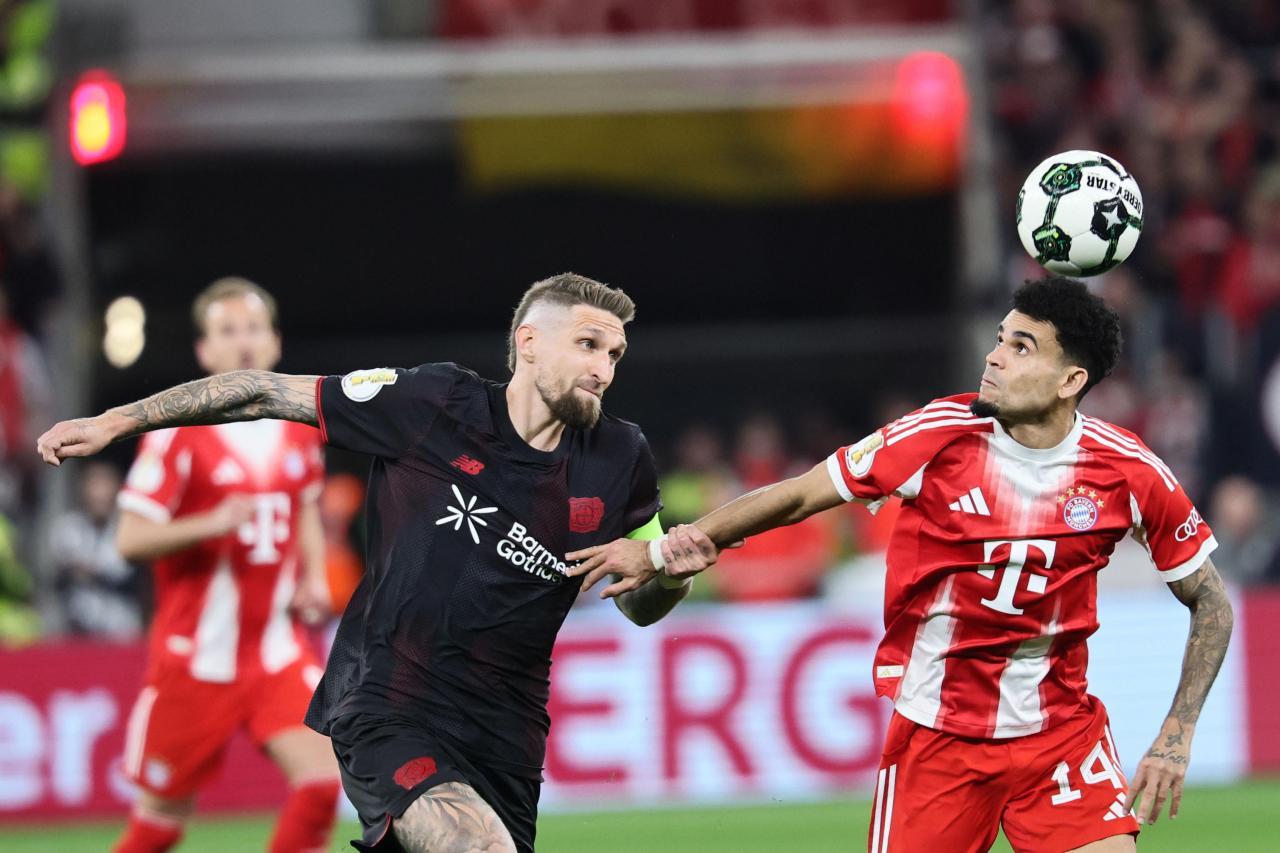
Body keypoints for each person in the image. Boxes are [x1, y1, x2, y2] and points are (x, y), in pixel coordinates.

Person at [37, 272, 712, 853]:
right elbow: (261, 392)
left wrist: (670, 577)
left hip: (507, 736)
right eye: (588, 345)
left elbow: (638, 600)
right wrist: (116, 421)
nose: (604, 369)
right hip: (389, 704)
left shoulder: (621, 456)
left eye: (615, 354)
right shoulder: (433, 403)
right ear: (529, 342)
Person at [570, 277, 1234, 853]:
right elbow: (800, 493)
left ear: (1071, 381)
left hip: (1060, 737)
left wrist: (1176, 734)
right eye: (1000, 339)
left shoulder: (1128, 470)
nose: (995, 356)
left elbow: (1211, 598)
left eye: (1021, 347)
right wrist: (661, 549)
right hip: (938, 739)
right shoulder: (939, 433)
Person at [107, 278, 339, 852]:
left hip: (276, 652)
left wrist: (313, 576)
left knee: (322, 784)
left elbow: (305, 505)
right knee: (158, 827)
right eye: (228, 331)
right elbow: (129, 539)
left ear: (275, 342)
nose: (244, 342)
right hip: (196, 660)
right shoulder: (175, 436)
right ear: (204, 351)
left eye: (254, 328)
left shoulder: (300, 428)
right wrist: (208, 524)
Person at [48, 461, 143, 639]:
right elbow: (60, 576)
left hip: (120, 630)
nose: (100, 494)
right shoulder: (68, 528)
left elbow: (126, 576)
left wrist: (89, 572)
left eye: (106, 484)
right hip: (75, 628)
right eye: (94, 484)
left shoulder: (127, 530)